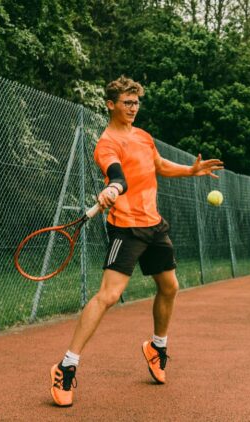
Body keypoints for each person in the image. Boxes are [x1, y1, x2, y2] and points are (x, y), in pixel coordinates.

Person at [50, 75, 224, 407]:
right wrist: (113, 188)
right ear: (111, 105)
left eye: (137, 102)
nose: (133, 108)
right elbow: (116, 175)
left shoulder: (143, 137)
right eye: (127, 103)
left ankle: (157, 346)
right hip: (126, 229)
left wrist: (190, 170)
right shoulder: (106, 143)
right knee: (109, 296)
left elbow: (157, 165)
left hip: (154, 225)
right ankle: (66, 365)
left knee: (170, 287)